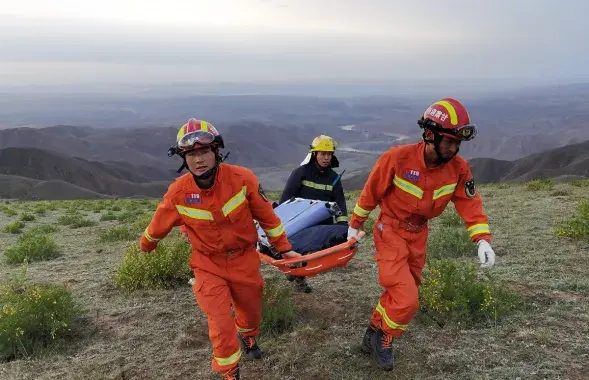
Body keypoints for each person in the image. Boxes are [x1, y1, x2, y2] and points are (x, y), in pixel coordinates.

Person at [139, 118, 301, 380]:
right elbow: (157, 226)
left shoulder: (242, 179)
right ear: (184, 158)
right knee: (220, 321)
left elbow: (268, 218)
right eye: (191, 154)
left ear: (216, 152)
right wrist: (146, 245)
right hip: (207, 265)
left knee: (250, 312)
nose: (198, 159)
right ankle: (230, 372)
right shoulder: (178, 192)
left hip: (244, 260)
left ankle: (248, 338)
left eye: (203, 152)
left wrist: (284, 249)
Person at [347, 98, 496, 371]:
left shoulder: (458, 168)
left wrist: (482, 239)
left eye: (457, 143)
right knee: (406, 298)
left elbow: (469, 203)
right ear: (430, 135)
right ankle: (385, 339)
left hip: (419, 235)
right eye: (449, 141)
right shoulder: (397, 158)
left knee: (403, 291)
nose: (454, 148)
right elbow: (371, 192)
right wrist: (355, 225)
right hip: (389, 230)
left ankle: (372, 332)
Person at [278, 134, 348, 293]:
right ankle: (297, 276)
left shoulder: (334, 178)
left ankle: (298, 275)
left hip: (323, 222)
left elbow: (340, 203)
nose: (326, 157)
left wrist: (343, 226)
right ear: (314, 154)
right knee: (298, 249)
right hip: (300, 221)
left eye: (329, 154)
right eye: (323, 154)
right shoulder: (301, 173)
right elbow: (286, 199)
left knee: (312, 252)